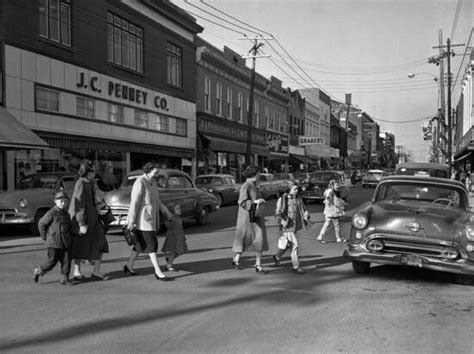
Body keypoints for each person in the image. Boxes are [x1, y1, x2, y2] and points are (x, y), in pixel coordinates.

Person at [124, 162, 174, 281]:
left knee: (139, 245)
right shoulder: (140, 182)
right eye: (155, 172)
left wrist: (165, 211)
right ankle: (158, 271)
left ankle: (129, 265)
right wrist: (131, 221)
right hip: (143, 221)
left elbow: (157, 200)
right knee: (152, 245)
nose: (157, 174)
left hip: (151, 219)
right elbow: (134, 203)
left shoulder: (153, 182)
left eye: (157, 172)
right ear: (148, 170)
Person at [69, 160, 109, 281]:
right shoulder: (81, 183)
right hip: (83, 220)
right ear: (87, 171)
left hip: (93, 218)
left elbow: (99, 200)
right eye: (92, 171)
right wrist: (81, 223)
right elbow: (78, 204)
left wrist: (97, 189)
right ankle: (76, 272)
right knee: (79, 245)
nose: (94, 174)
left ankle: (96, 271)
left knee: (100, 244)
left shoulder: (91, 184)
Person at [232, 165, 268, 274]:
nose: (259, 175)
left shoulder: (255, 184)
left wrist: (261, 198)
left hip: (257, 216)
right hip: (247, 218)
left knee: (259, 239)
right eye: (258, 173)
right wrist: (255, 202)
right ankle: (236, 259)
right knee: (244, 239)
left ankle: (258, 264)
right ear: (254, 174)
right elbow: (241, 202)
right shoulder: (246, 185)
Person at [33, 191, 73, 285]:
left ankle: (65, 278)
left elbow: (69, 227)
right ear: (55, 201)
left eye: (65, 201)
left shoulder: (67, 215)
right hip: (54, 242)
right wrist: (44, 237)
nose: (63, 203)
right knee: (52, 261)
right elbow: (41, 224)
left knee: (67, 260)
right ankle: (39, 270)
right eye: (61, 201)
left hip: (65, 242)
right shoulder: (51, 213)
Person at [272, 182, 310, 275]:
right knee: (294, 245)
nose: (296, 191)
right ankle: (296, 266)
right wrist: (282, 220)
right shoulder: (283, 199)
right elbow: (277, 213)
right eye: (294, 189)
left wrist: (306, 214)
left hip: (295, 225)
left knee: (288, 244)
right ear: (289, 190)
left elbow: (303, 209)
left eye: (297, 189)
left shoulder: (298, 198)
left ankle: (277, 256)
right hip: (287, 226)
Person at [161, 204, 188, 271]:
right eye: (177, 209)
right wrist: (168, 220)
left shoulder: (179, 218)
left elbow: (180, 228)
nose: (179, 210)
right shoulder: (172, 218)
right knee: (174, 252)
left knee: (181, 251)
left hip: (180, 237)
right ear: (173, 211)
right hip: (174, 238)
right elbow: (168, 225)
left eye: (179, 208)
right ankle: (169, 266)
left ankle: (169, 259)